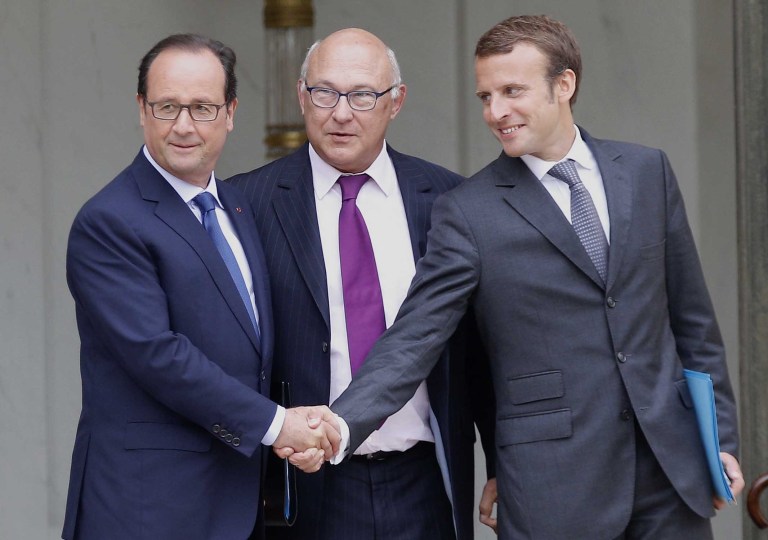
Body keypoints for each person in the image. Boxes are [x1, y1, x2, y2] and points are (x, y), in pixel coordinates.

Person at [328, 15, 745, 540]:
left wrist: (719, 440)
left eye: (511, 91)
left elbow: (694, 324)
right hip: (553, 489)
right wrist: (340, 424)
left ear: (564, 84)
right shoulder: (468, 212)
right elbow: (416, 336)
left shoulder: (646, 172)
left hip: (672, 473)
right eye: (485, 96)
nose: (495, 112)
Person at [61, 34, 338, 540]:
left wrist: (305, 418)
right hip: (146, 508)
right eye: (168, 106)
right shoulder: (109, 221)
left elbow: (247, 349)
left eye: (203, 108)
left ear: (230, 113)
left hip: (235, 502)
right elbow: (159, 355)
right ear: (141, 109)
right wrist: (278, 425)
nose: (184, 125)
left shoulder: (236, 207)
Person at [229, 28, 495, 540]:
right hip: (303, 487)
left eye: (364, 95)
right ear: (302, 96)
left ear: (396, 102)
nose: (342, 112)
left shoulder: (448, 200)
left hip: (424, 477)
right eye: (325, 93)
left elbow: (482, 349)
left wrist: (502, 461)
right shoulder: (249, 205)